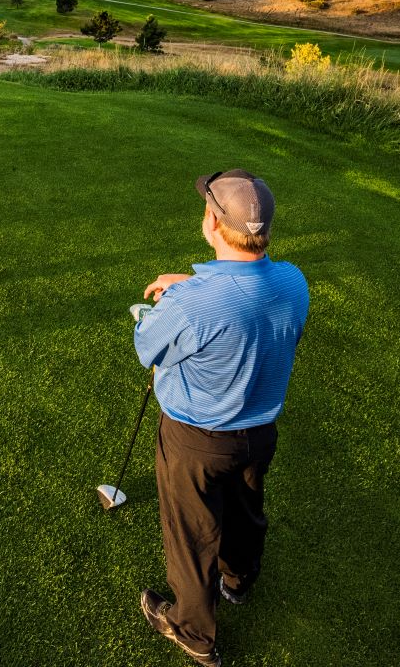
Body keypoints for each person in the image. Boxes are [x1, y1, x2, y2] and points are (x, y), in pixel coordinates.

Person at [132, 170, 310, 667]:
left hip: (196, 439)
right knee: (245, 506)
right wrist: (189, 287)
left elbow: (148, 348)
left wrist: (166, 304)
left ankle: (193, 631)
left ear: (211, 222)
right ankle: (238, 581)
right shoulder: (293, 281)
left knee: (192, 531)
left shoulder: (191, 304)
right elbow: (246, 296)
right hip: (259, 433)